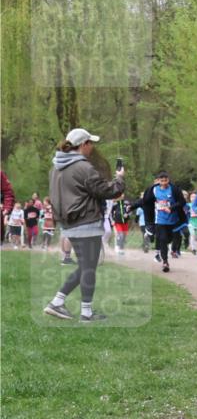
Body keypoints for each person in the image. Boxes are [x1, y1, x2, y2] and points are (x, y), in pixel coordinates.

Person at [43, 127, 126, 321]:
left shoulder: (55, 167)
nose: (92, 148)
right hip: (86, 221)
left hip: (69, 223)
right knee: (88, 267)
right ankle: (73, 309)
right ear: (83, 144)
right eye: (90, 143)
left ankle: (66, 305)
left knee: (85, 266)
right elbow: (107, 191)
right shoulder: (83, 167)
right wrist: (120, 178)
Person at [141, 171, 185, 273]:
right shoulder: (154, 190)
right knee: (163, 239)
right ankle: (165, 262)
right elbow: (146, 200)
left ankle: (165, 252)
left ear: (168, 180)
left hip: (172, 220)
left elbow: (182, 202)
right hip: (160, 220)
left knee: (169, 239)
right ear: (158, 181)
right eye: (162, 181)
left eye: (166, 180)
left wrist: (171, 208)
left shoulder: (174, 189)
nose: (164, 183)